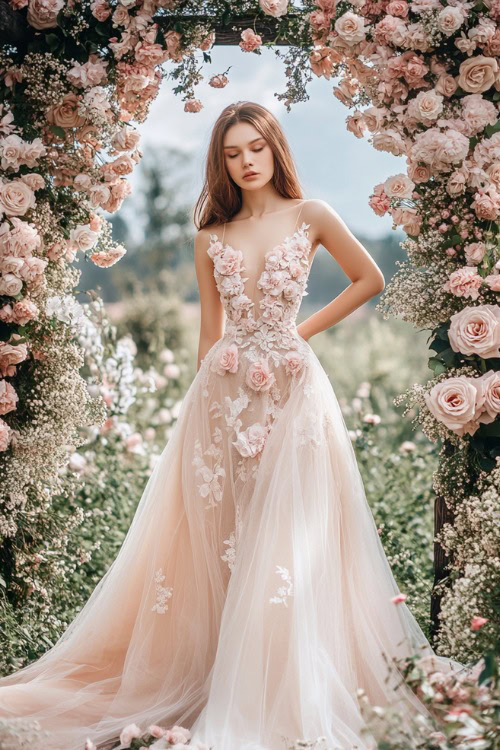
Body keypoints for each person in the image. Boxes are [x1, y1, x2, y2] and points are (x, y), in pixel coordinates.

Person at [0, 101, 474, 750]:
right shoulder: (210, 237)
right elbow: (207, 337)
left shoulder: (310, 216)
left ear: (276, 148)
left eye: (256, 147)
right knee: (222, 540)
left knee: (287, 537)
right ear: (220, 163)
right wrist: (199, 417)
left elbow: (368, 279)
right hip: (220, 399)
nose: (246, 161)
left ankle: (280, 683)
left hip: (292, 392)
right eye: (232, 153)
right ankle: (218, 672)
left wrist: (294, 336)